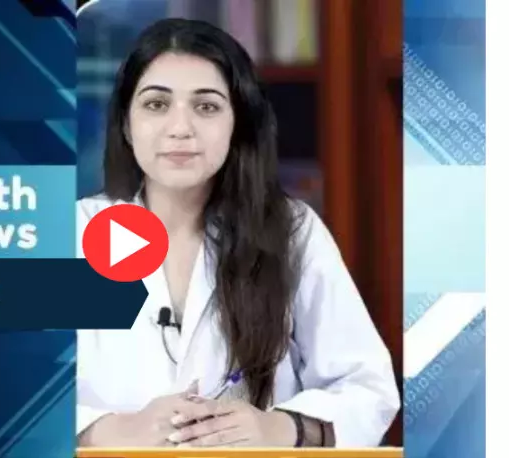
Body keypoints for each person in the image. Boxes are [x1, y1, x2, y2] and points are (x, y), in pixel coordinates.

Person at [75, 18, 400, 448]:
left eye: (206, 107)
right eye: (156, 104)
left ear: (238, 124)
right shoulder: (72, 234)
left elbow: (368, 389)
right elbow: (5, 393)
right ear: (126, 125)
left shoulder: (292, 230)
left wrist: (281, 428)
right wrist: (109, 430)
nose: (180, 128)